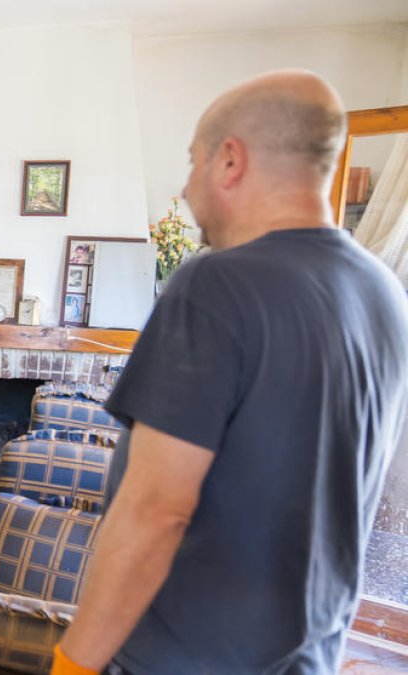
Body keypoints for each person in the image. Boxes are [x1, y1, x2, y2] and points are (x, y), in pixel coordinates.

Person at [54, 70, 408, 674]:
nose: (189, 190)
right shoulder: (384, 292)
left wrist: (75, 663)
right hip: (308, 655)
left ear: (230, 161)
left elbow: (155, 510)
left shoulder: (215, 284)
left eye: (193, 164)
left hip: (178, 658)